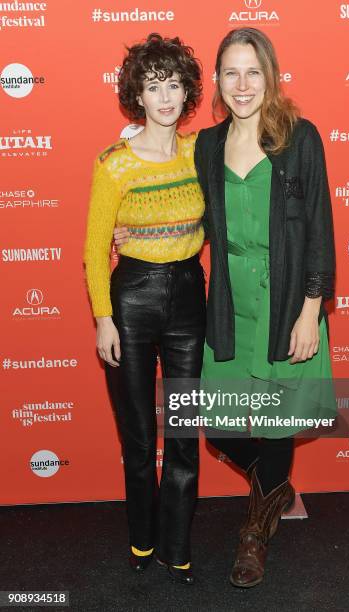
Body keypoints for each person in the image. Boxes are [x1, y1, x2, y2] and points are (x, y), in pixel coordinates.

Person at [114, 27, 336, 589]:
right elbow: (174, 199)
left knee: (277, 423)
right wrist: (131, 228)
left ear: (271, 76)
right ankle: (274, 483)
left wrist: (311, 308)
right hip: (228, 301)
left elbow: (319, 230)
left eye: (252, 72)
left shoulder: (299, 138)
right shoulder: (206, 146)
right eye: (231, 73)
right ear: (215, 81)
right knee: (216, 423)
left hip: (286, 300)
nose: (242, 85)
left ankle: (254, 536)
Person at [83, 33, 206, 585]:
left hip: (187, 297)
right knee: (137, 434)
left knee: (182, 431)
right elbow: (92, 248)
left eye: (174, 84)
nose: (164, 97)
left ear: (187, 92)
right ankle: (142, 538)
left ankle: (177, 546)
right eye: (153, 86)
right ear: (137, 93)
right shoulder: (113, 163)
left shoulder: (200, 150)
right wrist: (104, 318)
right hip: (131, 299)